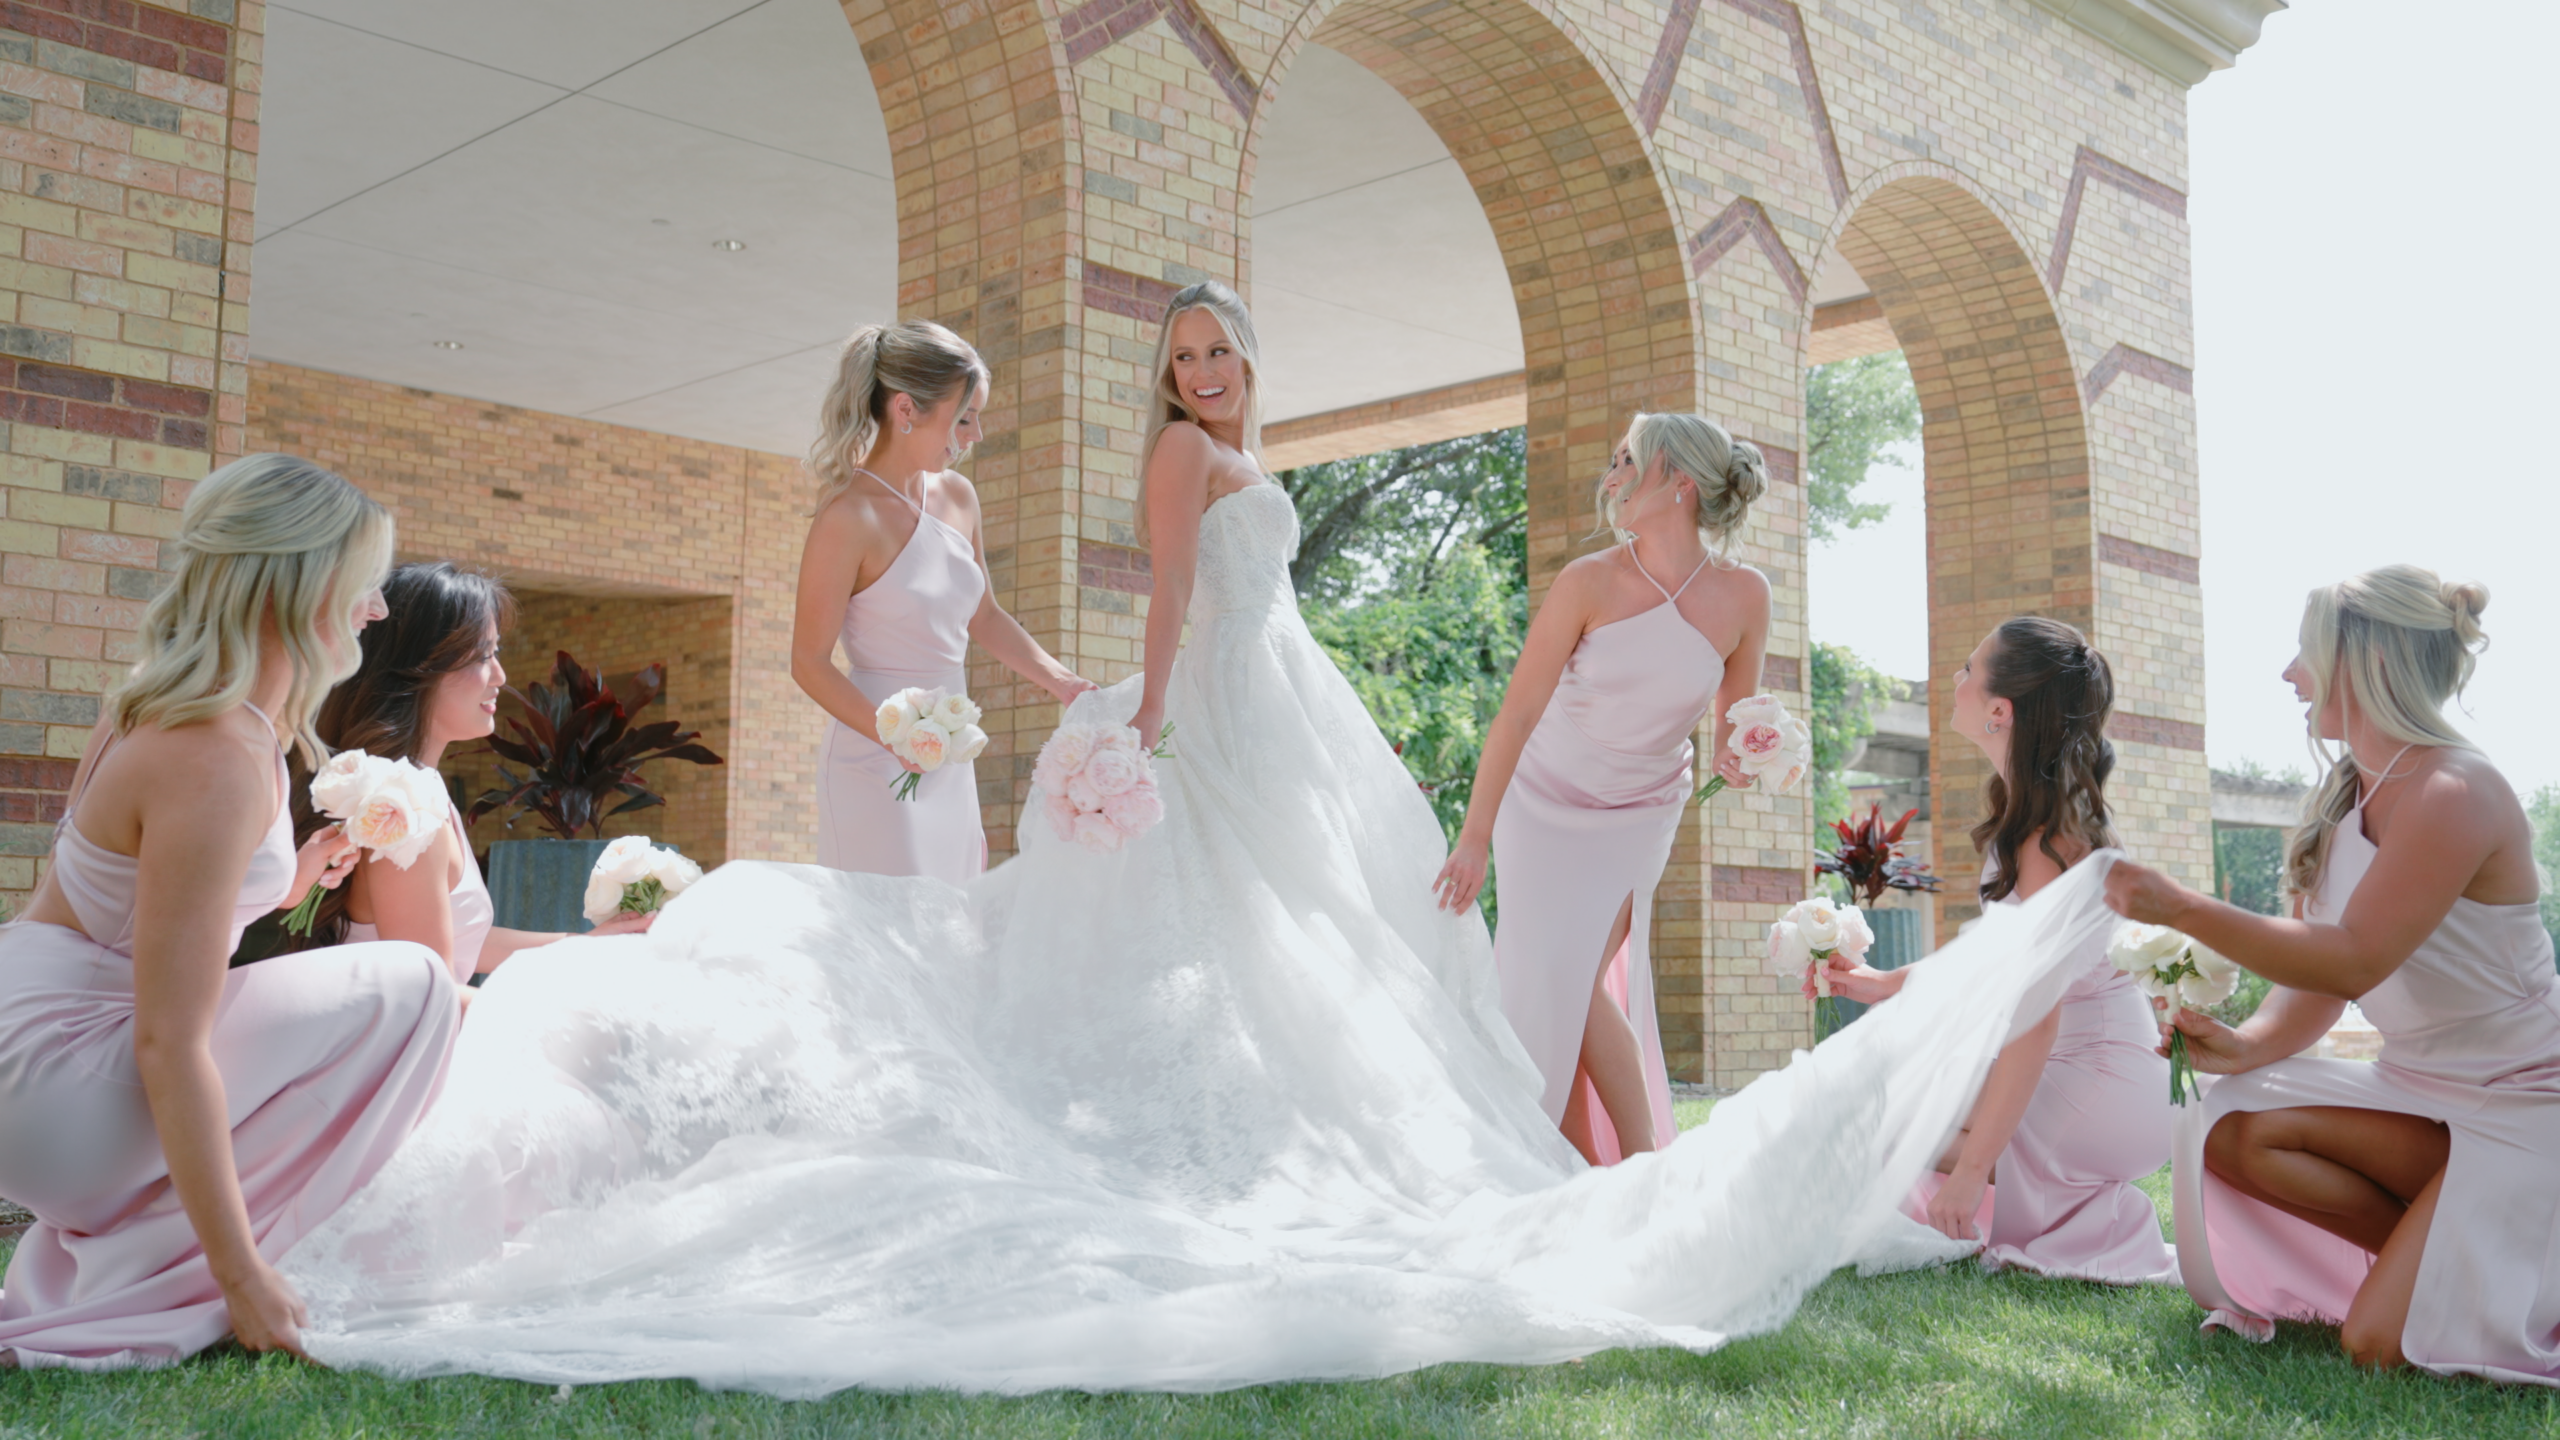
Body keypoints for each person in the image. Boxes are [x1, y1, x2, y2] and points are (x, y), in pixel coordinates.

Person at [274, 288, 2132, 1397]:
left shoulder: (1252, 465)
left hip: (1288, 702)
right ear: (1169, 386)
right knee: (1214, 927)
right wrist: (1138, 716)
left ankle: (1564, 1150)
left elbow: (1145, 606)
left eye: (1219, 346)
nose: (1204, 370)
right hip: (1210, 709)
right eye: (1182, 356)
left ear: (1249, 361)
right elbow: (1175, 607)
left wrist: (1078, 681)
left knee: (1331, 942)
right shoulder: (1171, 471)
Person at [0, 454, 458, 1367]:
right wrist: (239, 1273)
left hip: (29, 1052)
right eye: (365, 583)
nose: (376, 609)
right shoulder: (217, 754)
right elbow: (170, 1040)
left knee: (392, 993)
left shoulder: (167, 704)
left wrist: (288, 885)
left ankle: (122, 1263)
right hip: (57, 1089)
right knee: (416, 988)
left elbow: (128, 917)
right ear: (304, 584)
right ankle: (182, 1277)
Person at [2108, 566, 2556, 1381]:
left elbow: (2356, 956)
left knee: (2376, 1348)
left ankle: (2486, 1270)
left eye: (2304, 653)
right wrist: (2242, 1047)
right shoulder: (2350, 794)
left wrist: (2180, 907)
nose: (2289, 675)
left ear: (2368, 665)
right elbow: (2322, 986)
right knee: (2230, 1127)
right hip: (2418, 1087)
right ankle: (2473, 1266)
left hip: (2527, 1106)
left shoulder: (2457, 789)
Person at [1433, 413, 1769, 1164]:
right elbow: (1517, 714)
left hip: (1641, 810)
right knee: (1555, 979)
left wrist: (1743, 756)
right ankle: (1621, 1164)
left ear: (1678, 481)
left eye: (1627, 461)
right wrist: (1474, 837)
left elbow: (1737, 723)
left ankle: (1605, 1164)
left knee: (1573, 978)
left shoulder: (1745, 595)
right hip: (1541, 801)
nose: (1610, 476)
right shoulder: (1588, 581)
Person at [1818, 618, 2175, 1283]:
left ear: (1999, 710)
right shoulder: (2037, 820)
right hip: (2093, 1066)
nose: (1953, 681)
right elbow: (1992, 960)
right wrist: (1881, 981)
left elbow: (2036, 1016)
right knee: (1879, 1099)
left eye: (1966, 669)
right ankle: (2013, 1196)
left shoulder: (2044, 838)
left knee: (1888, 1115)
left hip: (2099, 1078)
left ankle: (2005, 1198)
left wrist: (1973, 1170)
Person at [790, 321, 1092, 883]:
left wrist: (1062, 682)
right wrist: (893, 735)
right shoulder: (847, 517)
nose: (976, 434)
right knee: (890, 933)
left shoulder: (958, 497)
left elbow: (985, 616)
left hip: (951, 754)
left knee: (953, 924)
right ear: (906, 410)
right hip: (873, 756)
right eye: (965, 417)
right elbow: (807, 662)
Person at [279, 561, 652, 994]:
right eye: (482, 655)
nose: (500, 676)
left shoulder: (415, 791)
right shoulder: (402, 815)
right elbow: (429, 996)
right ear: (420, 669)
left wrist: (583, 948)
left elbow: (462, 942)